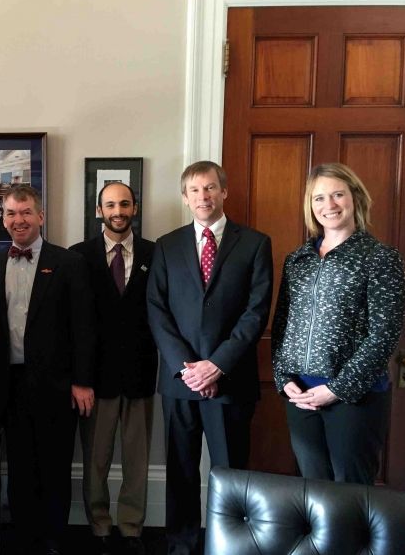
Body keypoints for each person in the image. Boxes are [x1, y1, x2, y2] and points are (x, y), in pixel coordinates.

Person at [147, 161, 273, 555]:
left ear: (224, 191)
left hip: (231, 380)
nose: (203, 196)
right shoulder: (167, 245)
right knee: (181, 472)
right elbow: (157, 309)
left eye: (210, 188)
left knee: (231, 473)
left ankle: (231, 545)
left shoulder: (255, 244)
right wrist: (188, 369)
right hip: (180, 381)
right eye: (195, 190)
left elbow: (256, 312)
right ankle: (180, 545)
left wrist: (216, 365)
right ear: (185, 198)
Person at [271, 162, 405, 485]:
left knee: (351, 491)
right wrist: (283, 377)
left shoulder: (381, 258)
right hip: (301, 394)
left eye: (337, 195)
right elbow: (282, 324)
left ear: (355, 197)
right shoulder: (298, 259)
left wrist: (337, 389)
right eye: (319, 198)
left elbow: (384, 334)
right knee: (313, 488)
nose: (328, 205)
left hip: (355, 396)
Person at [0, 185, 96, 555]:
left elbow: (84, 326)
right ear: (3, 219)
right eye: (11, 213)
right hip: (10, 384)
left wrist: (82, 381)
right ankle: (25, 538)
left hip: (58, 384)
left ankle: (54, 541)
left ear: (41, 216)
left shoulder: (69, 263)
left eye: (26, 212)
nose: (19, 220)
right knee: (19, 467)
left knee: (55, 466)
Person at [70, 182, 157, 555]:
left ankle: (132, 527)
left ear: (134, 207)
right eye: (110, 205)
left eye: (124, 204)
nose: (117, 211)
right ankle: (99, 526)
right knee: (96, 458)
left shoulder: (156, 253)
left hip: (141, 373)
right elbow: (74, 323)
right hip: (95, 377)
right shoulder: (79, 256)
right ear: (99, 210)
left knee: (137, 458)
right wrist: (79, 377)